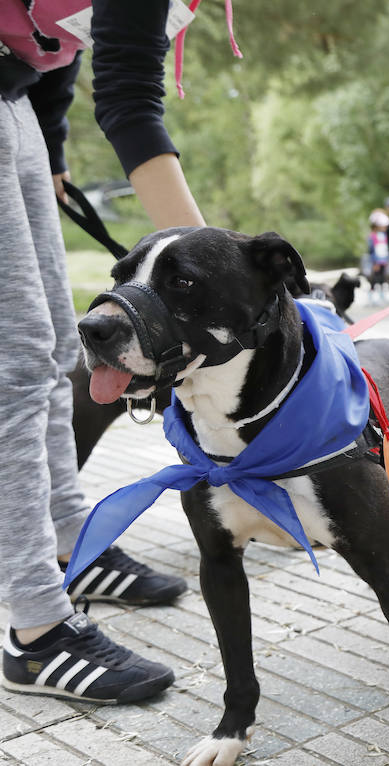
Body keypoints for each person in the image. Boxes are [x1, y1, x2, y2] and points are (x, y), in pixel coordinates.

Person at [1, 0, 211, 703]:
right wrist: (221, 276)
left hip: (14, 96)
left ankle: (71, 550)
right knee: (16, 365)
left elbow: (58, 45)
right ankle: (36, 630)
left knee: (58, 345)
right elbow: (128, 97)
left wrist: (50, 145)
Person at [366, 208, 389, 305]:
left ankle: (382, 296)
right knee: (374, 280)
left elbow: (384, 249)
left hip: (383, 261)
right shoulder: (372, 236)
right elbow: (371, 250)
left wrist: (386, 261)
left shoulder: (384, 235)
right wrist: (375, 262)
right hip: (376, 262)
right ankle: (371, 298)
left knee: (382, 279)